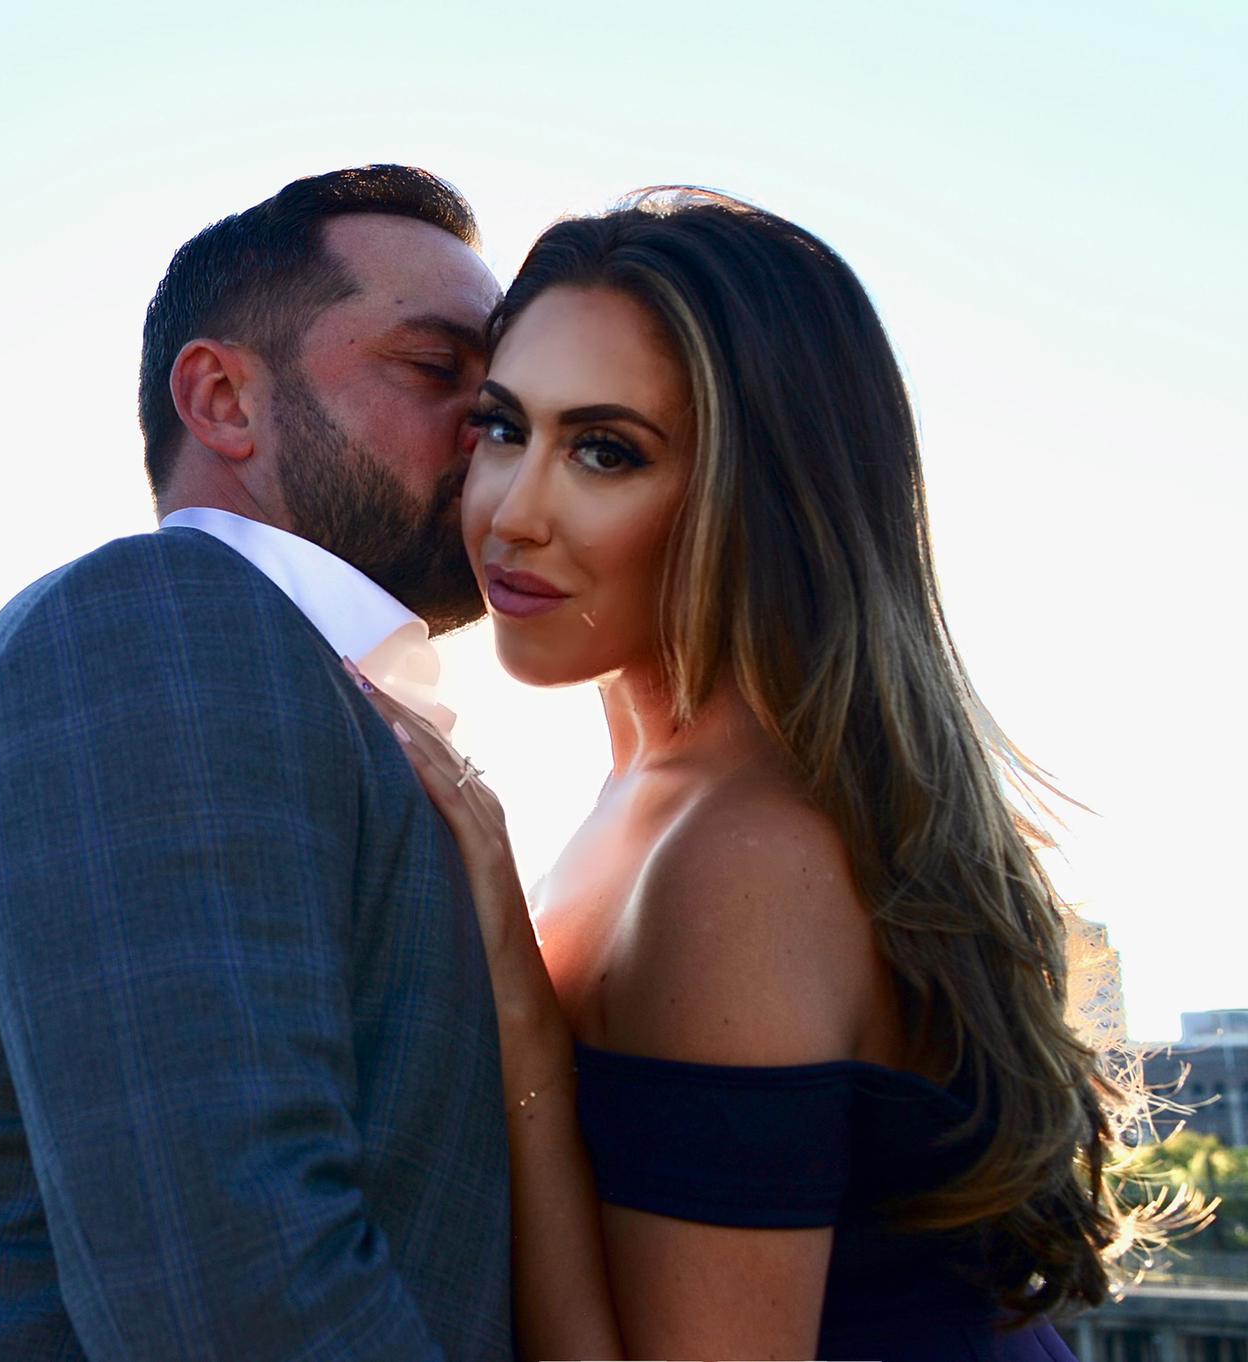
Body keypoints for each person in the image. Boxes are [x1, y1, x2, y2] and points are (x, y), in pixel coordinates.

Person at [356, 189, 1156, 1361]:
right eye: (501, 428)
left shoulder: (739, 857)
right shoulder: (656, 802)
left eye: (605, 451)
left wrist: (519, 1025)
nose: (511, 513)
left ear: (762, 495)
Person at [0, 166, 518, 1360]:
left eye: (500, 399)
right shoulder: (162, 629)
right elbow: (239, 1301)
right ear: (223, 400)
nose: (494, 433)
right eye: (432, 368)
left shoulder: (306, 688)